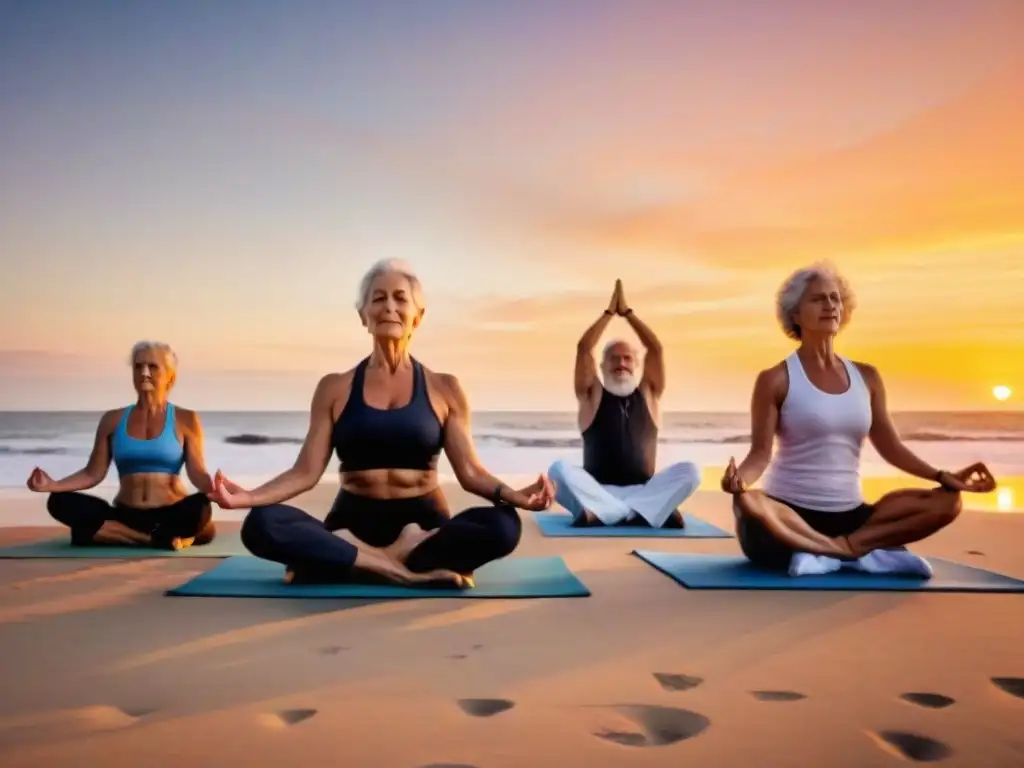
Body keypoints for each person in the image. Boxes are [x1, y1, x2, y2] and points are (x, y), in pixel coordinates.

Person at [208, 258, 553, 587]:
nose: (389, 306)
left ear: (417, 316)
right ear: (363, 315)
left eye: (400, 298)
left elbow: (471, 473)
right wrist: (248, 498)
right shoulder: (335, 387)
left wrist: (515, 497)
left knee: (505, 525)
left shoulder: (445, 388)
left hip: (424, 528)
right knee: (261, 524)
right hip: (352, 521)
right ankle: (398, 569)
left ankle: (353, 559)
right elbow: (306, 472)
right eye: (378, 298)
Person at [721, 262, 996, 576]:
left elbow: (890, 446)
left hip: (851, 517)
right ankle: (857, 553)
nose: (829, 305)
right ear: (795, 314)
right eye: (818, 299)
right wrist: (739, 481)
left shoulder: (867, 377)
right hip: (789, 515)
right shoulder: (775, 379)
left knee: (947, 503)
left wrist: (942, 476)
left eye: (835, 298)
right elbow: (760, 453)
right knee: (749, 503)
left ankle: (841, 549)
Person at [26, 341, 217, 550]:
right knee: (59, 501)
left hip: (169, 512)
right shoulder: (112, 419)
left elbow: (197, 472)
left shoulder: (186, 419)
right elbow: (92, 473)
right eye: (138, 366)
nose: (144, 372)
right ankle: (154, 539)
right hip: (125, 513)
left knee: (200, 508)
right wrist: (53, 485)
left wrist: (216, 488)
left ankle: (109, 534)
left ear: (170, 375)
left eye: (152, 366)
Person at [547, 279, 701, 528]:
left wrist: (628, 313)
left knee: (692, 471)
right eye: (614, 359)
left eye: (628, 358)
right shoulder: (591, 394)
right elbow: (584, 347)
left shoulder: (650, 393)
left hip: (645, 491)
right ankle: (645, 513)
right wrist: (609, 313)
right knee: (558, 470)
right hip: (597, 491)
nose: (621, 364)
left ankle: (610, 514)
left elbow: (655, 348)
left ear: (637, 365)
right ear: (602, 365)